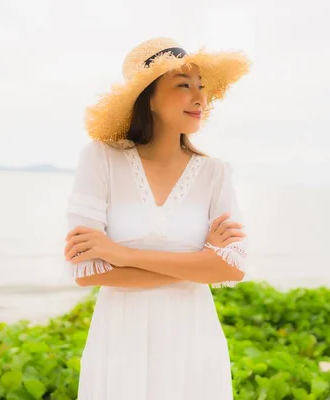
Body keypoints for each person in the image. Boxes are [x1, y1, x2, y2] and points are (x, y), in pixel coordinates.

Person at [61, 37, 251, 399]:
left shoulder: (215, 173)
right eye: (183, 86)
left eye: (201, 87)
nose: (199, 98)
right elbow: (86, 271)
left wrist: (124, 255)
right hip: (120, 343)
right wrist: (200, 262)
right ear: (148, 96)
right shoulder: (101, 159)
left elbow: (233, 268)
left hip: (193, 341)